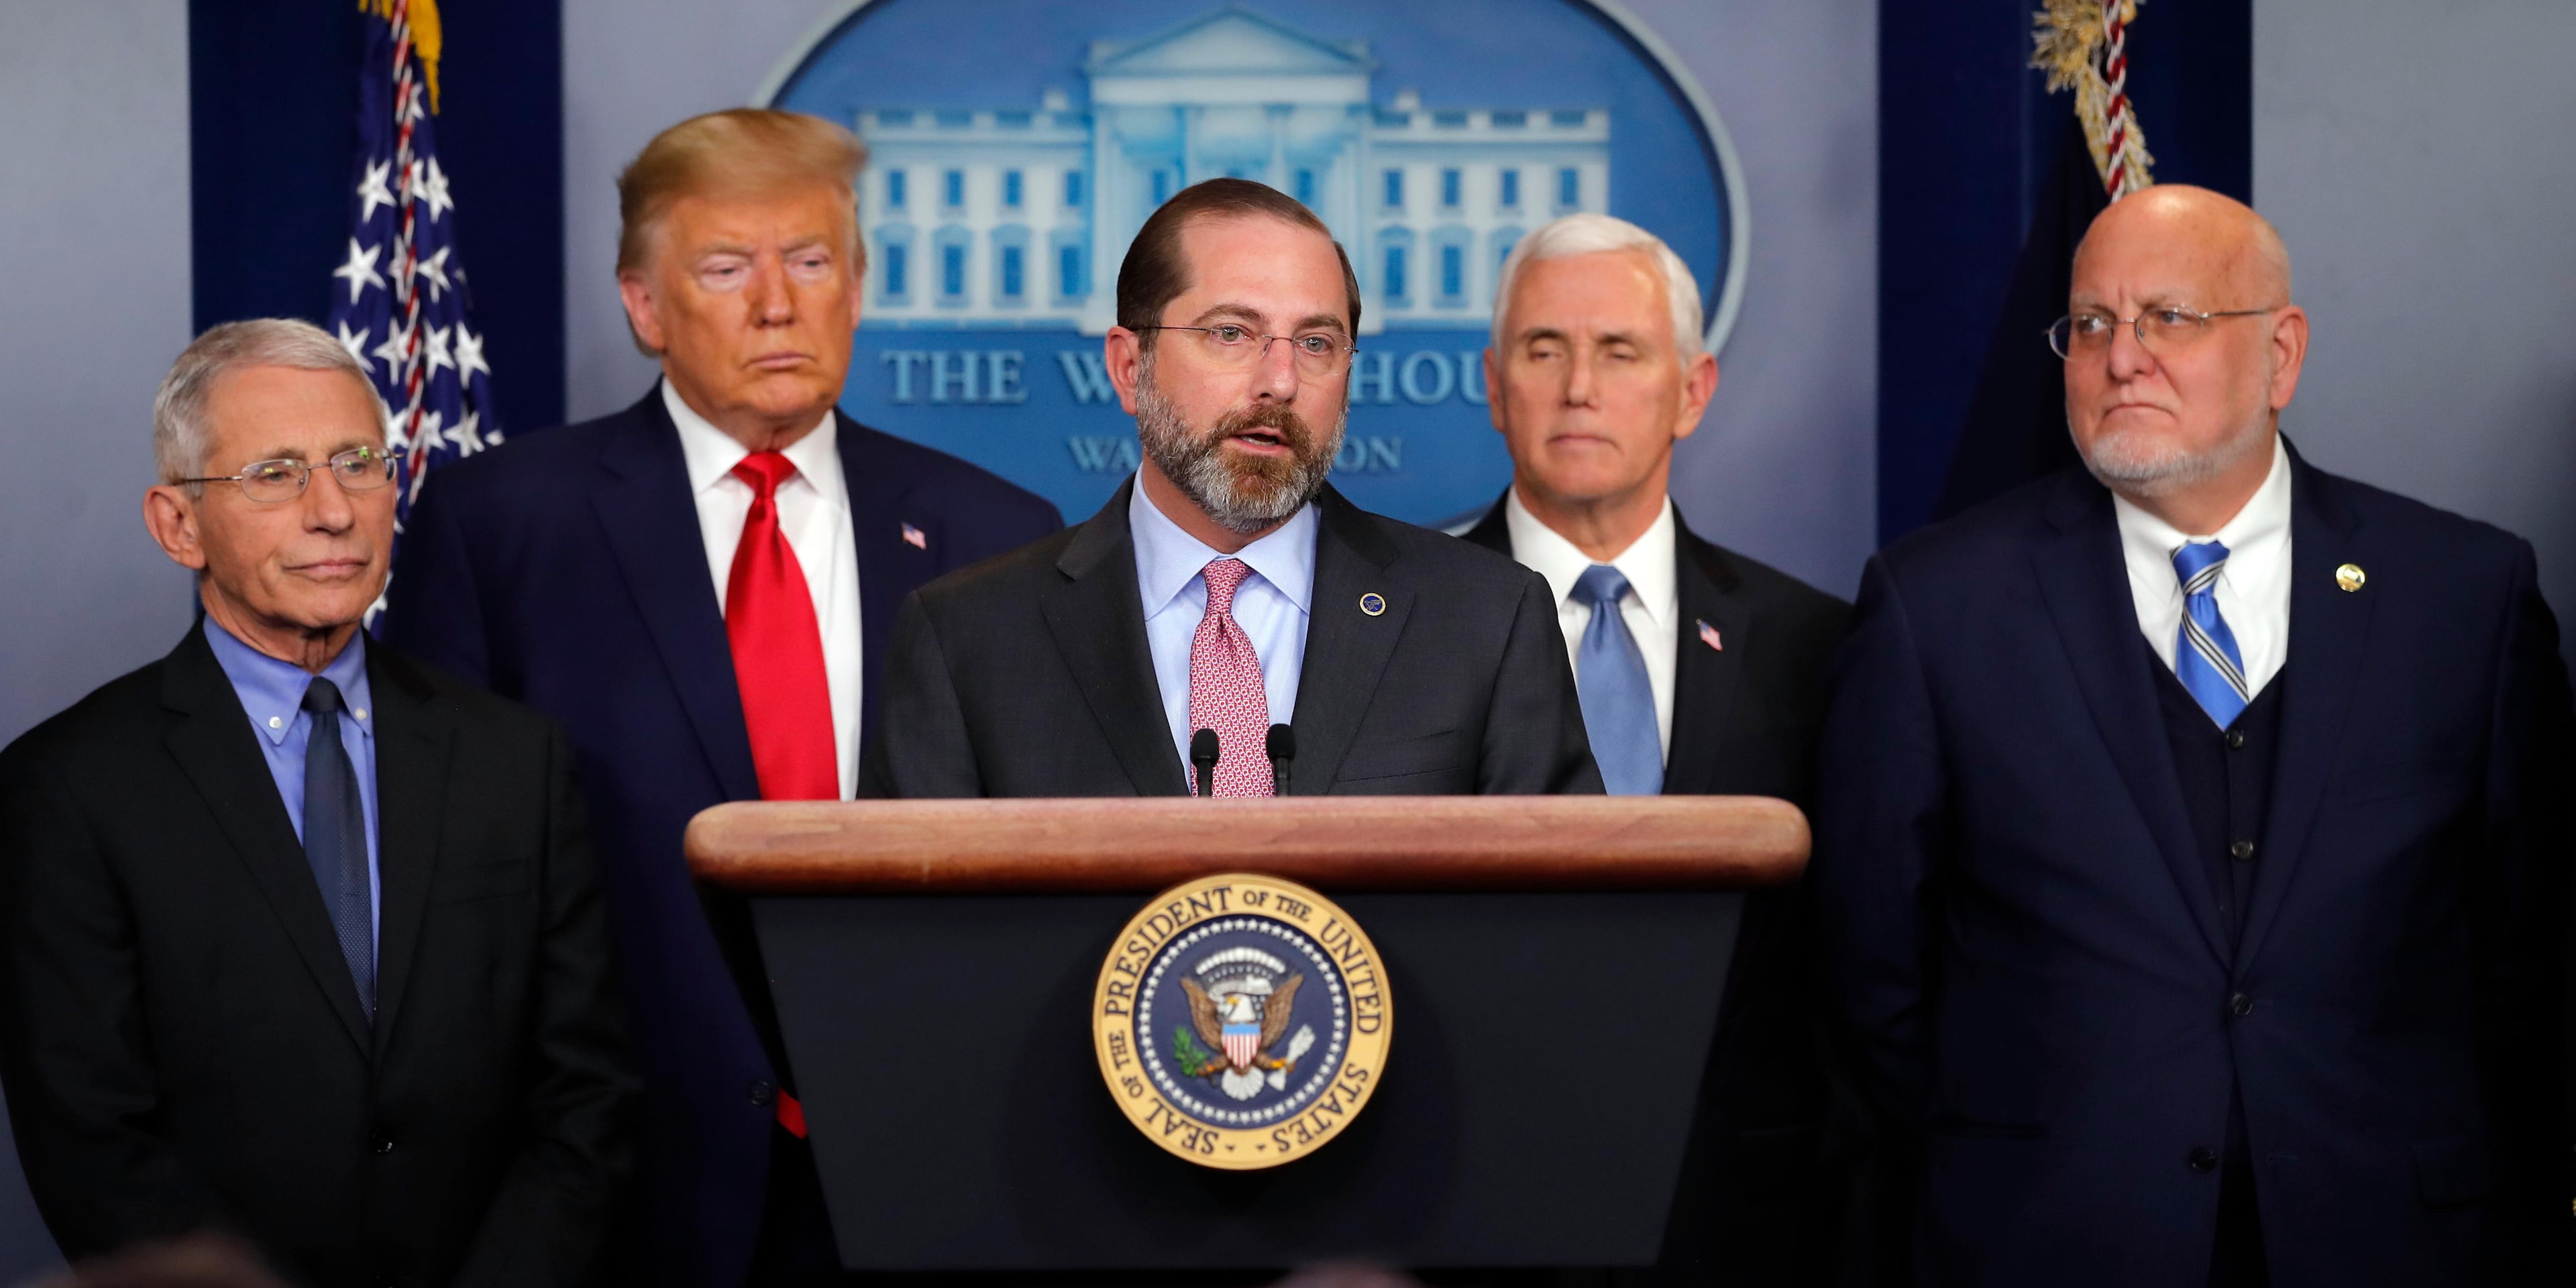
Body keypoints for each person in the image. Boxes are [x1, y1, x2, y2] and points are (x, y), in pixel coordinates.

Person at [1815, 184, 2572, 1284]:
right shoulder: (1938, 606)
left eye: (2172, 318)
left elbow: (2527, 953)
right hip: (2051, 1240)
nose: (2124, 358)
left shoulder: (2464, 595)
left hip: (2392, 1239)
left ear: (2282, 354)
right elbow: (1872, 969)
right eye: (2091, 325)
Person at [383, 109, 1061, 1286]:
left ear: (857, 287)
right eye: (724, 268)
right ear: (645, 306)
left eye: (809, 262)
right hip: (623, 1188)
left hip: (929, 1174)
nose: (777, 304)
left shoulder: (999, 536)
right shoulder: (499, 528)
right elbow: (453, 905)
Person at [0, 319, 636, 1285]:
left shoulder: (517, 760)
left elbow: (585, 1098)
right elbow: (93, 1143)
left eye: (357, 463)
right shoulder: (71, 786)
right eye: (276, 474)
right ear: (179, 525)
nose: (332, 511)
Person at [861, 178, 1597, 799]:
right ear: (1128, 367)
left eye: (1316, 343)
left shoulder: (1486, 622)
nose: (1280, 382)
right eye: (1231, 334)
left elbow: (1558, 934)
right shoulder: (968, 639)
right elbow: (914, 948)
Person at [1458, 213, 1860, 1284]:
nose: (1578, 385)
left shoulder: (1817, 645)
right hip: (1467, 1205)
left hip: (1745, 1224)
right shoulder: (1389, 623)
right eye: (1545, 351)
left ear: (1694, 387)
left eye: (1621, 351)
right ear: (1496, 385)